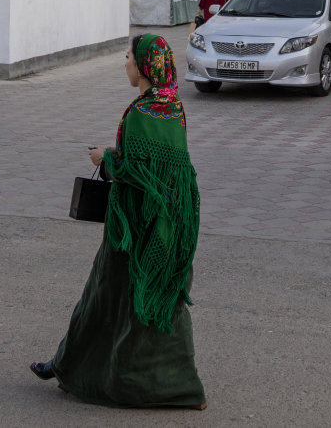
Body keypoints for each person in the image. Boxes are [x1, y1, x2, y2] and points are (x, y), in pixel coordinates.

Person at [30, 35, 206, 410]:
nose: (124, 63)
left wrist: (104, 160)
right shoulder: (171, 107)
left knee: (104, 296)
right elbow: (158, 164)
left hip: (135, 227)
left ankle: (73, 369)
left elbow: (138, 170)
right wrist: (118, 155)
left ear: (144, 66)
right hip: (167, 223)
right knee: (159, 299)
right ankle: (180, 387)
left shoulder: (143, 113)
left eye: (127, 57)